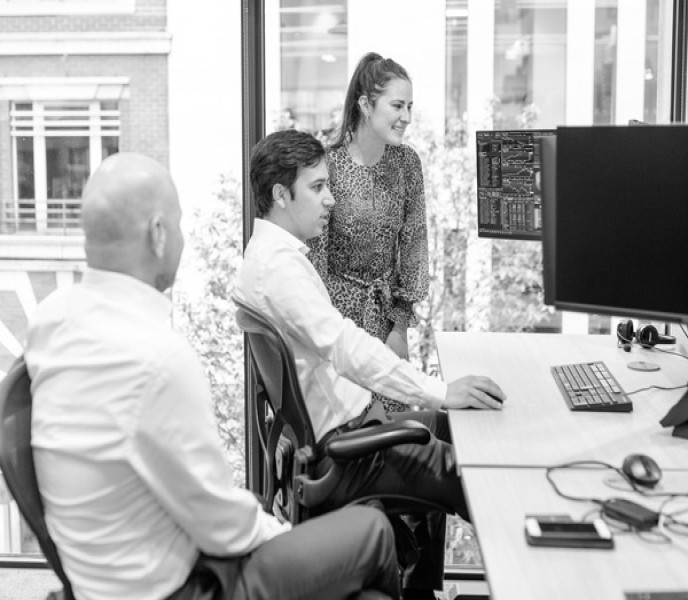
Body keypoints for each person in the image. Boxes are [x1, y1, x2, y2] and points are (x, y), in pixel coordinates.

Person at [23, 152, 400, 600]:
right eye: (179, 224)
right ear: (158, 234)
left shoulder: (50, 320)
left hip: (98, 578)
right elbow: (224, 528)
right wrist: (284, 536)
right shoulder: (158, 357)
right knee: (373, 530)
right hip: (183, 586)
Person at [236, 129, 507, 600]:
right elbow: (346, 347)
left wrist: (440, 398)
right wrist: (441, 390)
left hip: (357, 428)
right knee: (478, 478)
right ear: (281, 195)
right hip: (350, 451)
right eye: (317, 187)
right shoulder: (278, 269)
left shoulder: (270, 256)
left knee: (452, 426)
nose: (331, 199)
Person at [309, 52, 426, 414]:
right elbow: (315, 260)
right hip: (338, 327)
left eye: (409, 107)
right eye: (397, 106)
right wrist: (330, 337)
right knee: (351, 426)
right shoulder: (327, 165)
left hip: (388, 325)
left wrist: (400, 327)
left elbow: (414, 246)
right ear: (365, 105)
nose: (406, 117)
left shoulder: (407, 164)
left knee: (398, 431)